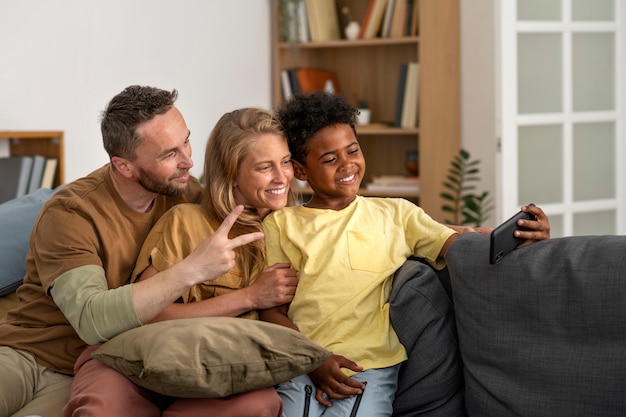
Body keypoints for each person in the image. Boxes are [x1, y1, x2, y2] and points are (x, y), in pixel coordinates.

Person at [260, 91, 551, 417]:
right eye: (330, 159)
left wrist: (522, 236)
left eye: (353, 150)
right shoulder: (282, 224)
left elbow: (462, 241)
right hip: (303, 366)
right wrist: (312, 358)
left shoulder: (397, 215)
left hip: (367, 370)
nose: (347, 164)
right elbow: (272, 311)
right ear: (300, 170)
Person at [0, 85, 266, 417]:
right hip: (24, 355)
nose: (188, 161)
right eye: (169, 154)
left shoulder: (184, 194)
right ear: (124, 167)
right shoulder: (71, 212)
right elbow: (92, 319)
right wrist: (192, 270)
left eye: (186, 140)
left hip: (88, 369)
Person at [62, 107, 300, 416]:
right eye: (264, 167)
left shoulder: (295, 232)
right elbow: (147, 317)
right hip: (142, 356)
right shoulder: (187, 220)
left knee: (256, 405)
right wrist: (250, 297)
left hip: (222, 364)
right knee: (102, 406)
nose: (282, 177)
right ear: (231, 175)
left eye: (285, 162)